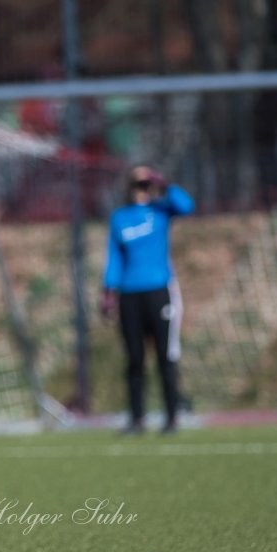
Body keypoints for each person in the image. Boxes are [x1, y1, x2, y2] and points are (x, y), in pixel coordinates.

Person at [100, 165, 195, 434]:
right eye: (136, 184)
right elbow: (114, 258)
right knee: (134, 358)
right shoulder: (120, 218)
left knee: (165, 355)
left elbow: (186, 206)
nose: (140, 190)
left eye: (145, 185)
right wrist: (108, 292)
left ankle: (172, 415)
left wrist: (164, 184)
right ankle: (137, 418)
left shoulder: (160, 210)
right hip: (130, 294)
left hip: (158, 290)